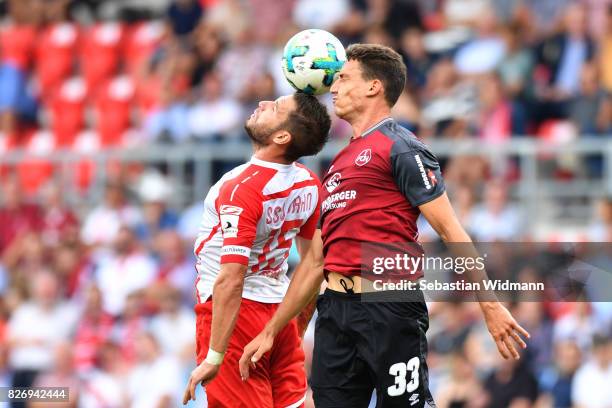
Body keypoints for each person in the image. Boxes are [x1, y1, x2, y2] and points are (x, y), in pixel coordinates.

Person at [239, 44, 530, 408]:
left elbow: (452, 231)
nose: (334, 86)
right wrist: (279, 330)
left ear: (374, 87)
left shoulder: (401, 147)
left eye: (344, 78)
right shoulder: (339, 161)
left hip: (388, 305)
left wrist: (490, 305)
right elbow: (316, 262)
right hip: (335, 310)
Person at [182, 92, 331, 407]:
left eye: (275, 107)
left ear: (281, 136)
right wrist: (292, 326)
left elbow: (231, 278)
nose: (263, 104)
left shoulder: (242, 189)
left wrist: (214, 356)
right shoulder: (309, 183)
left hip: (234, 322)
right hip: (278, 314)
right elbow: (315, 265)